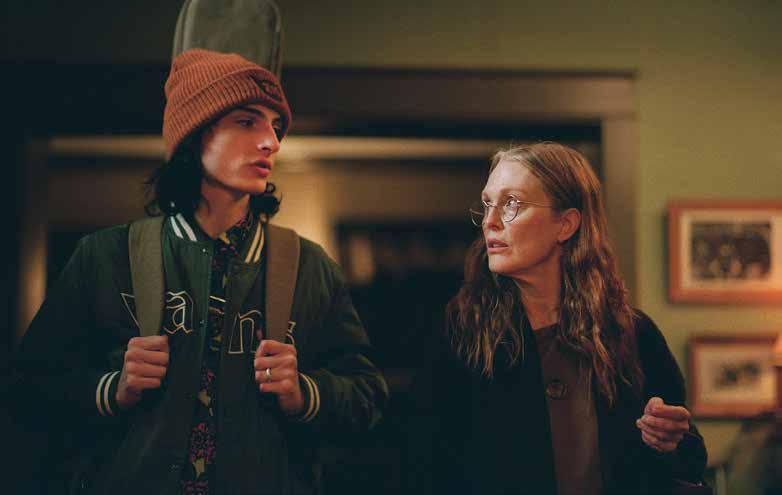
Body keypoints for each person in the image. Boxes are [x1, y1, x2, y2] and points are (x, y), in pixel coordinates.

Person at [11, 48, 388, 494]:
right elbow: (27, 391)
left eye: (275, 126)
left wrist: (306, 393)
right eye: (247, 121)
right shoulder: (103, 257)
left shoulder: (310, 266)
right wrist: (112, 389)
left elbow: (368, 397)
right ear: (193, 134)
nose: (271, 142)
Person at [409, 142, 707, 494]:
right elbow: (423, 465)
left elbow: (690, 460)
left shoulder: (632, 333)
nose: (489, 222)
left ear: (565, 224)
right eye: (488, 204)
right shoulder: (463, 335)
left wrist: (669, 441)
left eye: (512, 203)